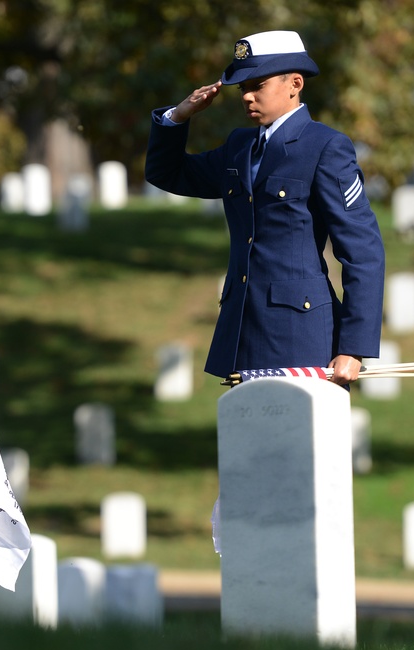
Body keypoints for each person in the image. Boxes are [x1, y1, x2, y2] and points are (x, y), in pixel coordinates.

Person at [145, 30, 385, 386]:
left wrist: (354, 347)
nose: (247, 96)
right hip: (243, 333)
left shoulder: (325, 146)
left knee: (302, 443)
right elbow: (167, 173)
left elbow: (362, 251)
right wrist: (179, 116)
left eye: (257, 84)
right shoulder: (239, 146)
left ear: (295, 83)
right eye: (242, 88)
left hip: (302, 338)